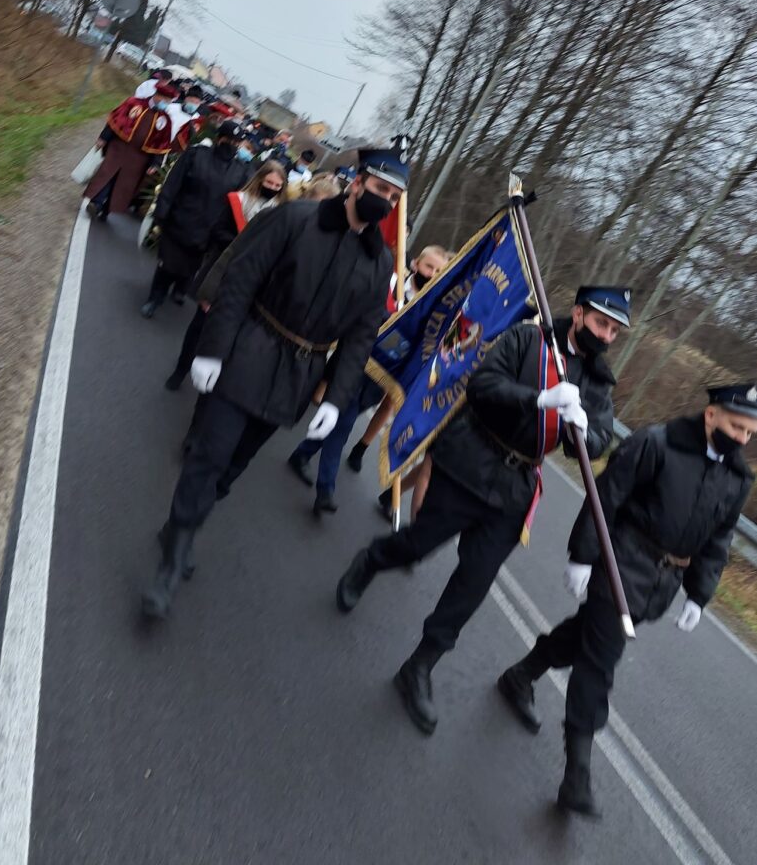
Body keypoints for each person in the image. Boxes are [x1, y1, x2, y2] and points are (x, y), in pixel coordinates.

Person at [335, 285, 629, 737]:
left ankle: (420, 665)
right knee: (417, 545)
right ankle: (372, 559)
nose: (606, 335)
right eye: (601, 323)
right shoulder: (529, 340)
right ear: (578, 314)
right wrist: (539, 400)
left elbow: (595, 443)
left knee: (472, 583)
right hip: (470, 461)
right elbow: (483, 385)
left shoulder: (598, 383)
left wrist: (584, 431)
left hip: (514, 488)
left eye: (613, 330)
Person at [141, 146, 410, 621]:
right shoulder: (296, 220)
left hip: (297, 378)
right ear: (356, 183)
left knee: (233, 469)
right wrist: (212, 349)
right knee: (209, 455)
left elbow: (359, 339)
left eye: (392, 196)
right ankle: (174, 555)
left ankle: (181, 523)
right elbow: (240, 280)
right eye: (379, 189)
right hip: (249, 349)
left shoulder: (378, 266)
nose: (383, 200)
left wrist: (336, 398)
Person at [496, 381, 757, 818]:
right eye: (737, 426)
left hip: (661, 583)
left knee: (586, 637)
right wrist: (583, 556)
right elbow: (607, 496)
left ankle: (522, 674)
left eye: (750, 434)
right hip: (620, 563)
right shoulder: (656, 444)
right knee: (599, 662)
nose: (742, 439)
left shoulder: (737, 477)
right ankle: (576, 774)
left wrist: (699, 593)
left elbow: (719, 537)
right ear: (711, 415)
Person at [287, 244, 450, 517]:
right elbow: (366, 313)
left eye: (437, 271)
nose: (431, 274)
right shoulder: (392, 285)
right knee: (344, 423)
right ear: (414, 265)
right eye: (428, 267)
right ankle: (325, 489)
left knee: (343, 418)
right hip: (356, 362)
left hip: (381, 378)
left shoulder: (430, 310)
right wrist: (392, 316)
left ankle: (302, 453)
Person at [164, 161, 289, 389]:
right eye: (269, 182)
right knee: (200, 325)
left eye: (277, 185)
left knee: (228, 331)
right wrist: (238, 243)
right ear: (260, 179)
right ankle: (181, 369)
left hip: (251, 280)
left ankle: (210, 375)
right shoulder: (238, 201)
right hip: (222, 268)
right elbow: (218, 229)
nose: (272, 187)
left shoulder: (280, 213)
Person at [140, 120, 250, 318]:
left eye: (237, 142)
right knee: (167, 264)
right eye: (229, 140)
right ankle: (155, 298)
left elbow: (237, 205)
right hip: (180, 220)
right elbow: (173, 183)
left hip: (209, 230)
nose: (232, 145)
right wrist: (162, 211)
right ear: (219, 138)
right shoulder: (196, 155)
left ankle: (181, 288)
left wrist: (224, 233)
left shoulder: (241, 171)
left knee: (190, 266)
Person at [83, 83, 180, 219]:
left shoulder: (165, 120)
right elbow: (115, 121)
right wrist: (103, 137)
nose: (165, 103)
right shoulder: (134, 103)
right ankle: (96, 203)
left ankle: (107, 210)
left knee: (124, 184)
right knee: (108, 173)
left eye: (168, 101)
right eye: (164, 99)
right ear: (157, 95)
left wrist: (155, 163)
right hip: (119, 147)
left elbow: (161, 144)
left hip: (139, 158)